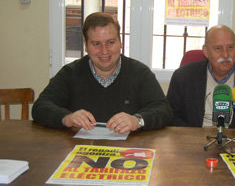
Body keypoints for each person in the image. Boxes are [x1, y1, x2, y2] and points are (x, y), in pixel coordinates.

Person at [32, 12, 172, 133]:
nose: (104, 51)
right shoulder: (70, 73)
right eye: (96, 44)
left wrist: (138, 120)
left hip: (127, 153)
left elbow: (164, 110)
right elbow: (40, 107)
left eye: (110, 42)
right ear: (86, 45)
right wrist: (66, 118)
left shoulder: (140, 73)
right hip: (81, 152)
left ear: (120, 42)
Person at [167, 25, 235, 129]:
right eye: (218, 48)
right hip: (196, 142)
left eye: (230, 47)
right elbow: (170, 117)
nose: (225, 55)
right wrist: (198, 134)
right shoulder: (183, 77)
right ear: (205, 51)